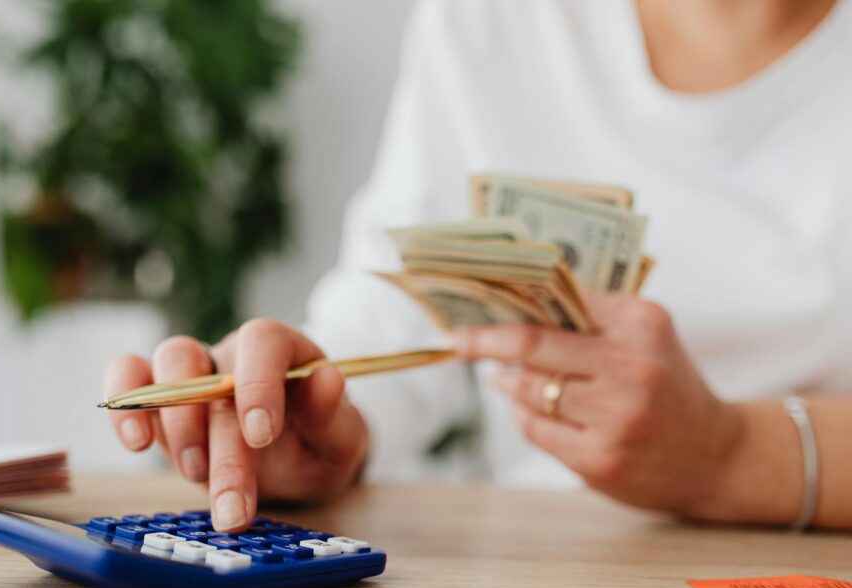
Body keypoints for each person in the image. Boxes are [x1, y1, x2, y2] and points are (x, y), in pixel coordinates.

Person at [106, 0, 852, 533]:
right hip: (541, 574)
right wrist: (317, 420)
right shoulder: (489, 24)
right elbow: (399, 308)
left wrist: (730, 454)